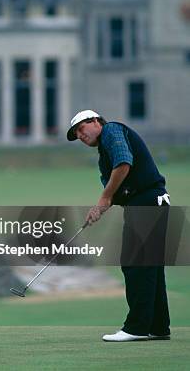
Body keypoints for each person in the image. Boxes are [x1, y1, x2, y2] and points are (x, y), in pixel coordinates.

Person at [67, 110, 171, 342]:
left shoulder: (112, 130)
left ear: (95, 122)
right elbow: (113, 192)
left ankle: (136, 328)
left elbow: (124, 162)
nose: (81, 136)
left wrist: (104, 199)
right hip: (148, 203)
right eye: (77, 134)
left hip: (147, 201)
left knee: (136, 263)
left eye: (81, 129)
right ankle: (158, 326)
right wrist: (99, 208)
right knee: (150, 266)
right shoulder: (103, 157)